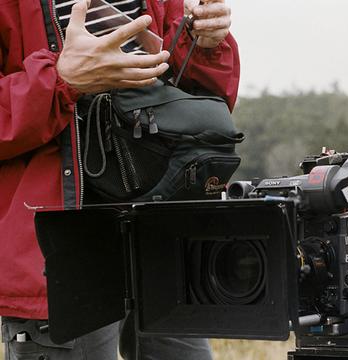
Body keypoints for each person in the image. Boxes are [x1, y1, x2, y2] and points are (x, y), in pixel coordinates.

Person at [0, 0, 239, 359]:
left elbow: (199, 104)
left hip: (163, 231)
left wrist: (206, 44)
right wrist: (60, 82)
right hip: (60, 246)